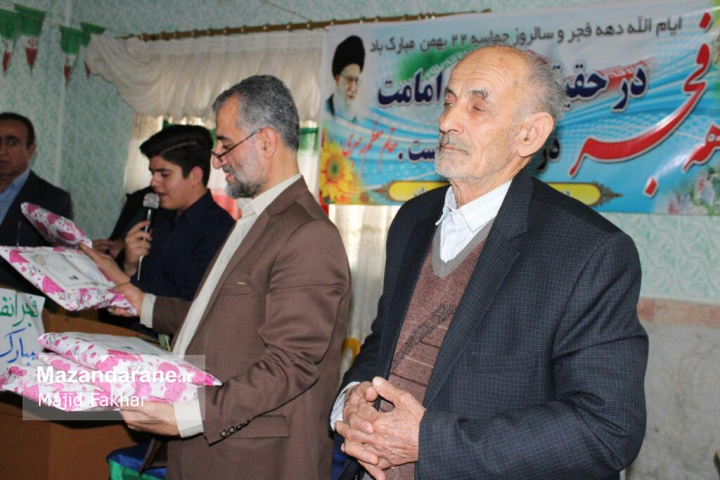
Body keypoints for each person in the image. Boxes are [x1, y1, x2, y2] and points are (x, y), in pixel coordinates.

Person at [332, 45, 648, 480]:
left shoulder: (589, 252)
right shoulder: (412, 220)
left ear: (529, 135)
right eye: (449, 101)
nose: (446, 121)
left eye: (477, 107)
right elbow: (386, 338)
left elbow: (607, 428)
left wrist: (430, 441)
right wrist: (352, 396)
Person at [84, 75, 351, 479]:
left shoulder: (307, 233)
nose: (217, 159)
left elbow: (290, 366)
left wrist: (187, 415)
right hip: (209, 448)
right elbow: (220, 319)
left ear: (266, 141)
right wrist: (144, 304)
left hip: (251, 460)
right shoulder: (255, 217)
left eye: (225, 144)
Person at [103, 125, 234, 302]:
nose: (153, 182)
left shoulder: (219, 230)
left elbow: (185, 305)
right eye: (152, 173)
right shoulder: (160, 216)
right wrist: (130, 265)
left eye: (164, 174)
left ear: (195, 176)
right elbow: (146, 283)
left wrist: (116, 274)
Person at [0, 112, 72, 293]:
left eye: (12, 143)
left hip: (19, 300)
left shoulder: (52, 199)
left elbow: (57, 265)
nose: (2, 151)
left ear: (30, 149)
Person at [326, 35, 365, 122]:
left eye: (356, 80)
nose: (353, 89)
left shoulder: (357, 121)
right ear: (337, 79)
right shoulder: (325, 110)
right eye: (349, 80)